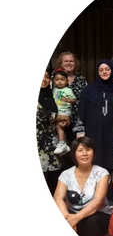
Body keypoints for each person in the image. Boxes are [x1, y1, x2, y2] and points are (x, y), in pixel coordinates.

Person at [52, 136, 112, 236]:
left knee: (90, 221)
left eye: (88, 150)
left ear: (93, 153)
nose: (84, 154)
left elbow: (98, 200)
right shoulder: (66, 174)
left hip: (98, 214)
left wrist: (77, 218)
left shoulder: (102, 173)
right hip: (72, 214)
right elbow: (58, 198)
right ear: (74, 154)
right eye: (80, 150)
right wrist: (66, 219)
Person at [74, 59, 113, 172]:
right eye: (101, 70)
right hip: (93, 132)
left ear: (112, 70)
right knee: (95, 161)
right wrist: (80, 132)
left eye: (107, 69)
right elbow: (82, 111)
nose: (104, 72)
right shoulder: (89, 90)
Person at [34, 68, 69, 196]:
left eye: (47, 76)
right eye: (40, 76)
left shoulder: (52, 95)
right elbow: (41, 114)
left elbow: (62, 111)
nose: (43, 79)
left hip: (53, 143)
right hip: (37, 142)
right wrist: (62, 118)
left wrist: (64, 119)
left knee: (54, 176)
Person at [54, 51, 88, 142]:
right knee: (62, 151)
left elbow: (86, 100)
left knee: (77, 150)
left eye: (71, 61)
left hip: (78, 122)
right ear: (60, 63)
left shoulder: (81, 80)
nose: (69, 63)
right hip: (60, 121)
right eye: (66, 61)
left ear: (75, 63)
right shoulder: (54, 81)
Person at [52, 67, 76, 155]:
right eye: (57, 79)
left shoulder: (68, 90)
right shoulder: (54, 90)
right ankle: (64, 143)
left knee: (59, 125)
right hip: (58, 111)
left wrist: (67, 100)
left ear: (67, 81)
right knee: (59, 127)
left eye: (62, 79)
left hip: (65, 111)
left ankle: (62, 143)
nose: (59, 81)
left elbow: (74, 100)